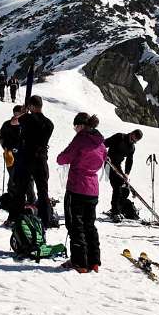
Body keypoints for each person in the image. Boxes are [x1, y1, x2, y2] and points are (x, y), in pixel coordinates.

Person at [57, 112, 107, 273]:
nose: (75, 130)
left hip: (77, 187)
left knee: (75, 225)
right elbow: (104, 158)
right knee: (89, 225)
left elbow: (64, 158)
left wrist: (61, 157)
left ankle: (79, 262)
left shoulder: (81, 138)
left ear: (80, 125)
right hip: (93, 189)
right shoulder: (100, 142)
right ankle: (94, 261)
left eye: (75, 127)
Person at [7, 95, 55, 228]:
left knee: (20, 189)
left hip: (27, 158)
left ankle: (15, 217)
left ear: (32, 106)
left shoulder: (27, 119)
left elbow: (13, 122)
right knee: (43, 190)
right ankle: (46, 219)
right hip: (41, 159)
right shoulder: (49, 123)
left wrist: (23, 111)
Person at [0, 105, 35, 204]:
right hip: (10, 154)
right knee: (13, 176)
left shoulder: (26, 124)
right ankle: (12, 197)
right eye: (15, 113)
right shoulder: (7, 124)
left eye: (18, 113)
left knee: (28, 177)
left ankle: (31, 199)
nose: (17, 115)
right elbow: (2, 138)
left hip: (24, 154)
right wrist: (6, 147)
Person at [104, 129, 143, 218]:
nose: (132, 142)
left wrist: (126, 173)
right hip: (108, 164)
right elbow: (104, 143)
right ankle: (115, 212)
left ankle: (120, 208)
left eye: (135, 141)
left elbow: (129, 161)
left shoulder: (132, 147)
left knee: (125, 189)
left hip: (117, 166)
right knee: (117, 187)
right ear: (131, 134)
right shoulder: (119, 137)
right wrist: (103, 154)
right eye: (132, 139)